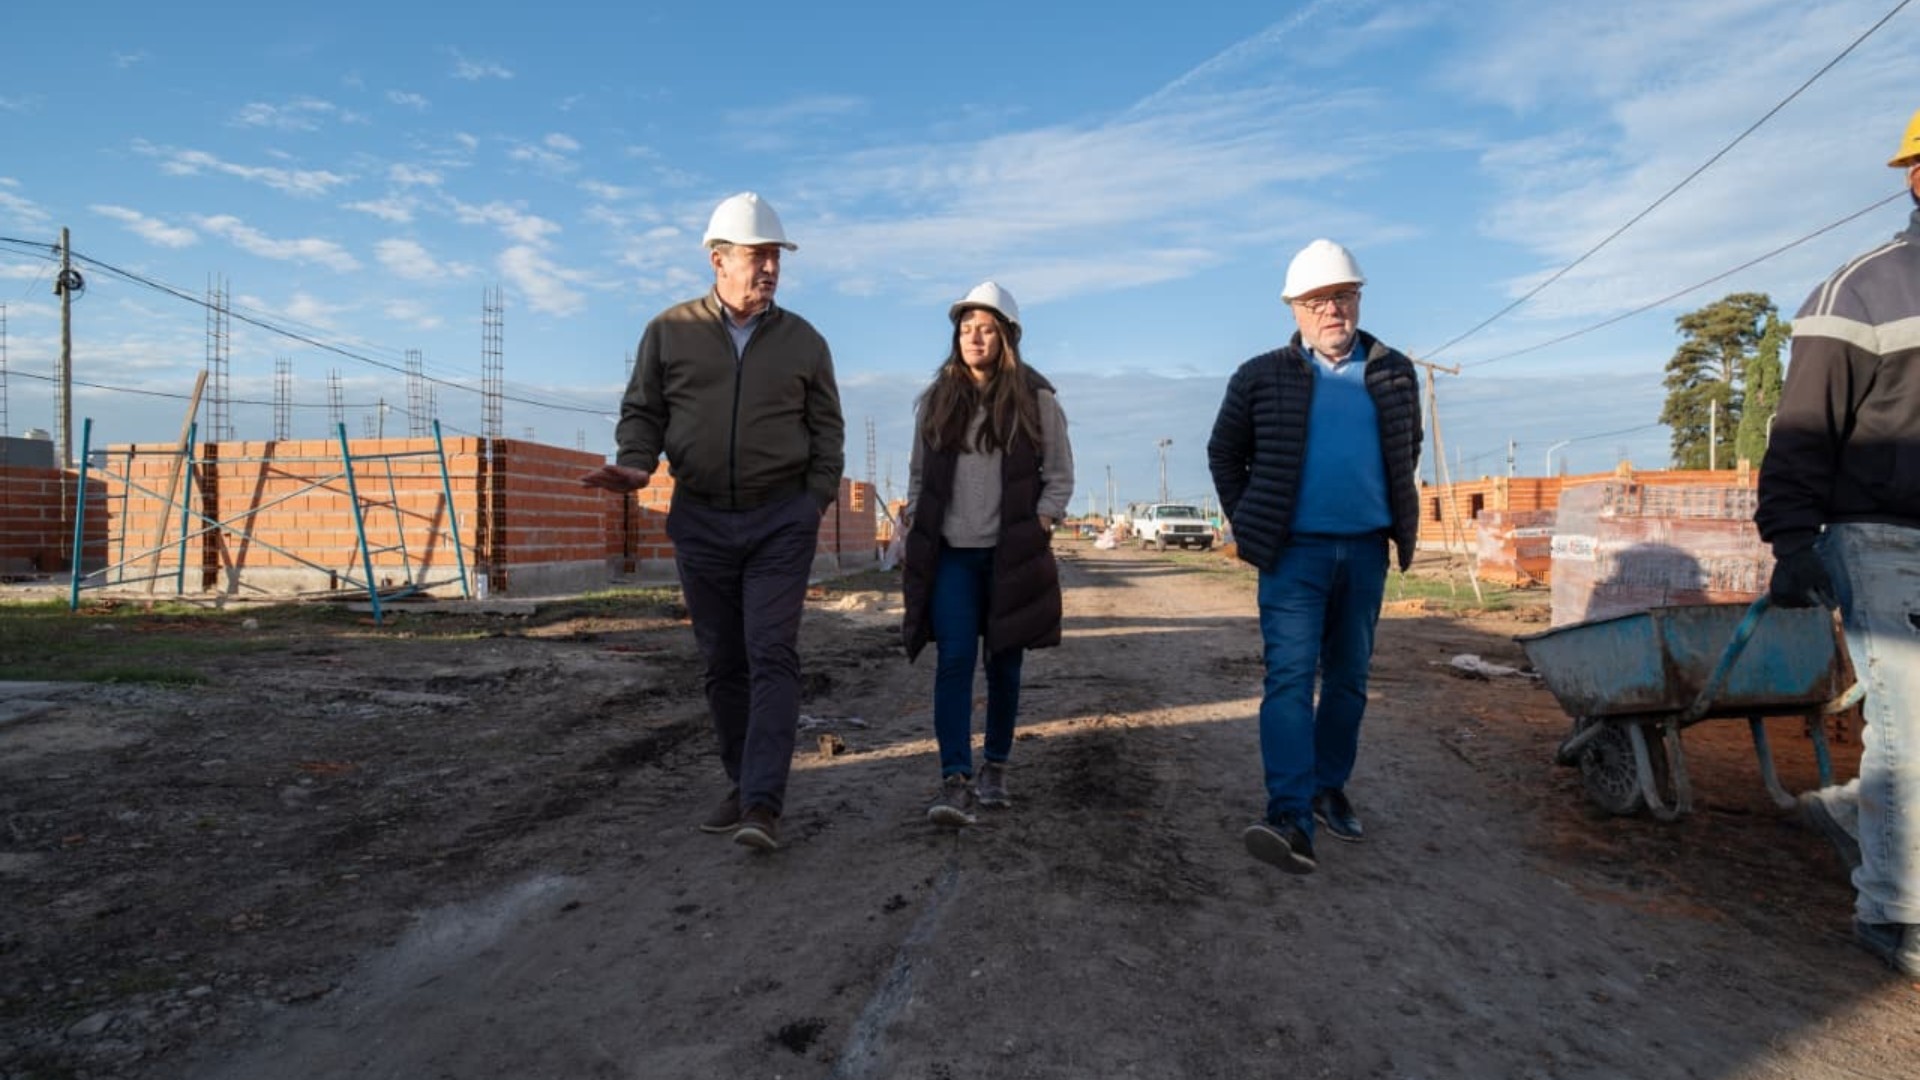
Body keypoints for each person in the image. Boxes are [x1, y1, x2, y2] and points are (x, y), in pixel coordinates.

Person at [581, 192, 844, 853]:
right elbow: (643, 411)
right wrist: (636, 464)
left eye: (776, 257)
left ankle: (762, 802)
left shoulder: (805, 342)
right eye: (758, 256)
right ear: (718, 259)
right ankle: (741, 778)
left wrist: (812, 501)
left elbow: (827, 430)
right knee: (723, 660)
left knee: (771, 652)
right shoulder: (669, 331)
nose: (770, 269)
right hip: (700, 518)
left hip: (780, 519)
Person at [1755, 107, 1920, 976]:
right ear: (1918, 176)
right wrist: (1792, 541)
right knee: (1911, 723)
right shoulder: (1861, 292)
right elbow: (1802, 429)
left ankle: (1855, 811)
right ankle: (1896, 914)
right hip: (1882, 535)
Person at [1206, 239, 1422, 874]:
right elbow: (1224, 452)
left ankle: (1329, 788)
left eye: (1343, 296)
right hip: (1293, 555)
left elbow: (1405, 447)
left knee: (1349, 679)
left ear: (1359, 300)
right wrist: (1251, 520)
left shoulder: (1394, 371)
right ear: (1294, 308)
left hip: (1365, 551)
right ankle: (1289, 814)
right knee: (1291, 679)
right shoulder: (1259, 375)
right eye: (1318, 300)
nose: (1333, 309)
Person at [900, 282, 1073, 826]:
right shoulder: (936, 401)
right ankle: (954, 777)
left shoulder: (1036, 400)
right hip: (951, 554)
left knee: (1004, 663)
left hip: (1008, 555)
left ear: (1007, 338)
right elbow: (918, 476)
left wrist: (1039, 523)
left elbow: (1060, 476)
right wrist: (915, 521)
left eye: (986, 329)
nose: (974, 338)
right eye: (966, 328)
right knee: (954, 660)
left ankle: (995, 766)